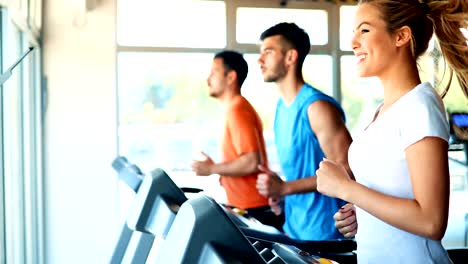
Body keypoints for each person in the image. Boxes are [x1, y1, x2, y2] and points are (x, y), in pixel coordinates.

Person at [316, 0, 468, 263]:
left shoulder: (420, 106)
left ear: (401, 36)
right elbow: (395, 192)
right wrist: (362, 212)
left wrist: (346, 189)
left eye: (364, 31)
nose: (353, 42)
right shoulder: (382, 111)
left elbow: (431, 221)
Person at [256, 22, 353, 241]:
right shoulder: (281, 107)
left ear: (291, 57)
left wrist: (286, 188)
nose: (260, 60)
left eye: (268, 52)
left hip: (326, 234)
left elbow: (347, 168)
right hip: (294, 228)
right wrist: (280, 193)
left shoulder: (317, 108)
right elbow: (300, 171)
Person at [191, 50, 284, 231]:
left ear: (231, 76)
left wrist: (212, 169)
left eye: (214, 72)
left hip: (255, 208)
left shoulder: (237, 110)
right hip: (248, 206)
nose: (208, 79)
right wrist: (224, 174)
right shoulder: (234, 109)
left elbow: (250, 161)